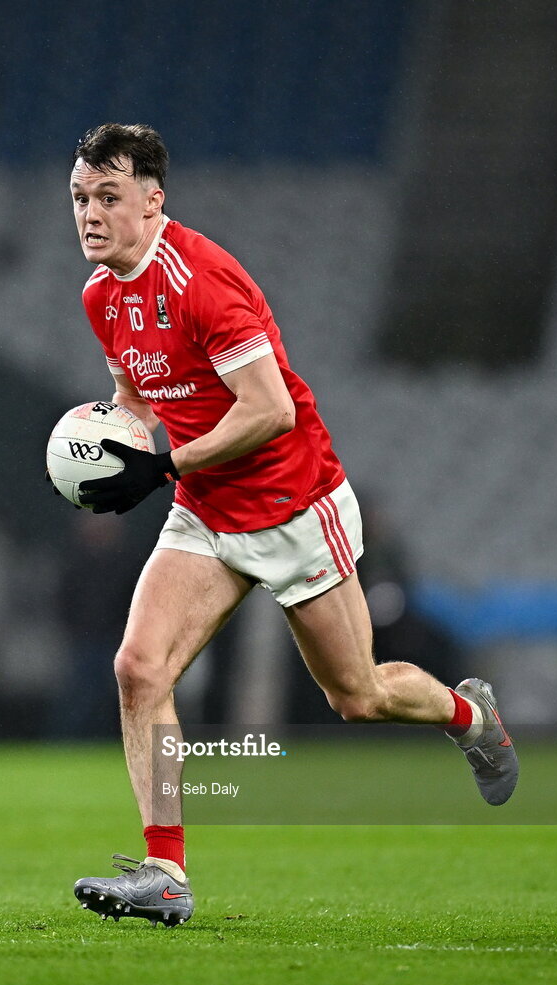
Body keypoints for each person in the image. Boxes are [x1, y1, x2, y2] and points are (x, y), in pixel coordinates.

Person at [57, 123, 518, 928]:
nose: (89, 214)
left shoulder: (203, 278)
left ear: (153, 201)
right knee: (139, 667)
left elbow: (268, 411)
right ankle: (166, 868)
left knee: (359, 697)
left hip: (290, 504)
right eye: (79, 198)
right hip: (204, 511)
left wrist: (164, 466)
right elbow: (136, 399)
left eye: (108, 197)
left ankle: (469, 716)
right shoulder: (103, 295)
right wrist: (113, 448)